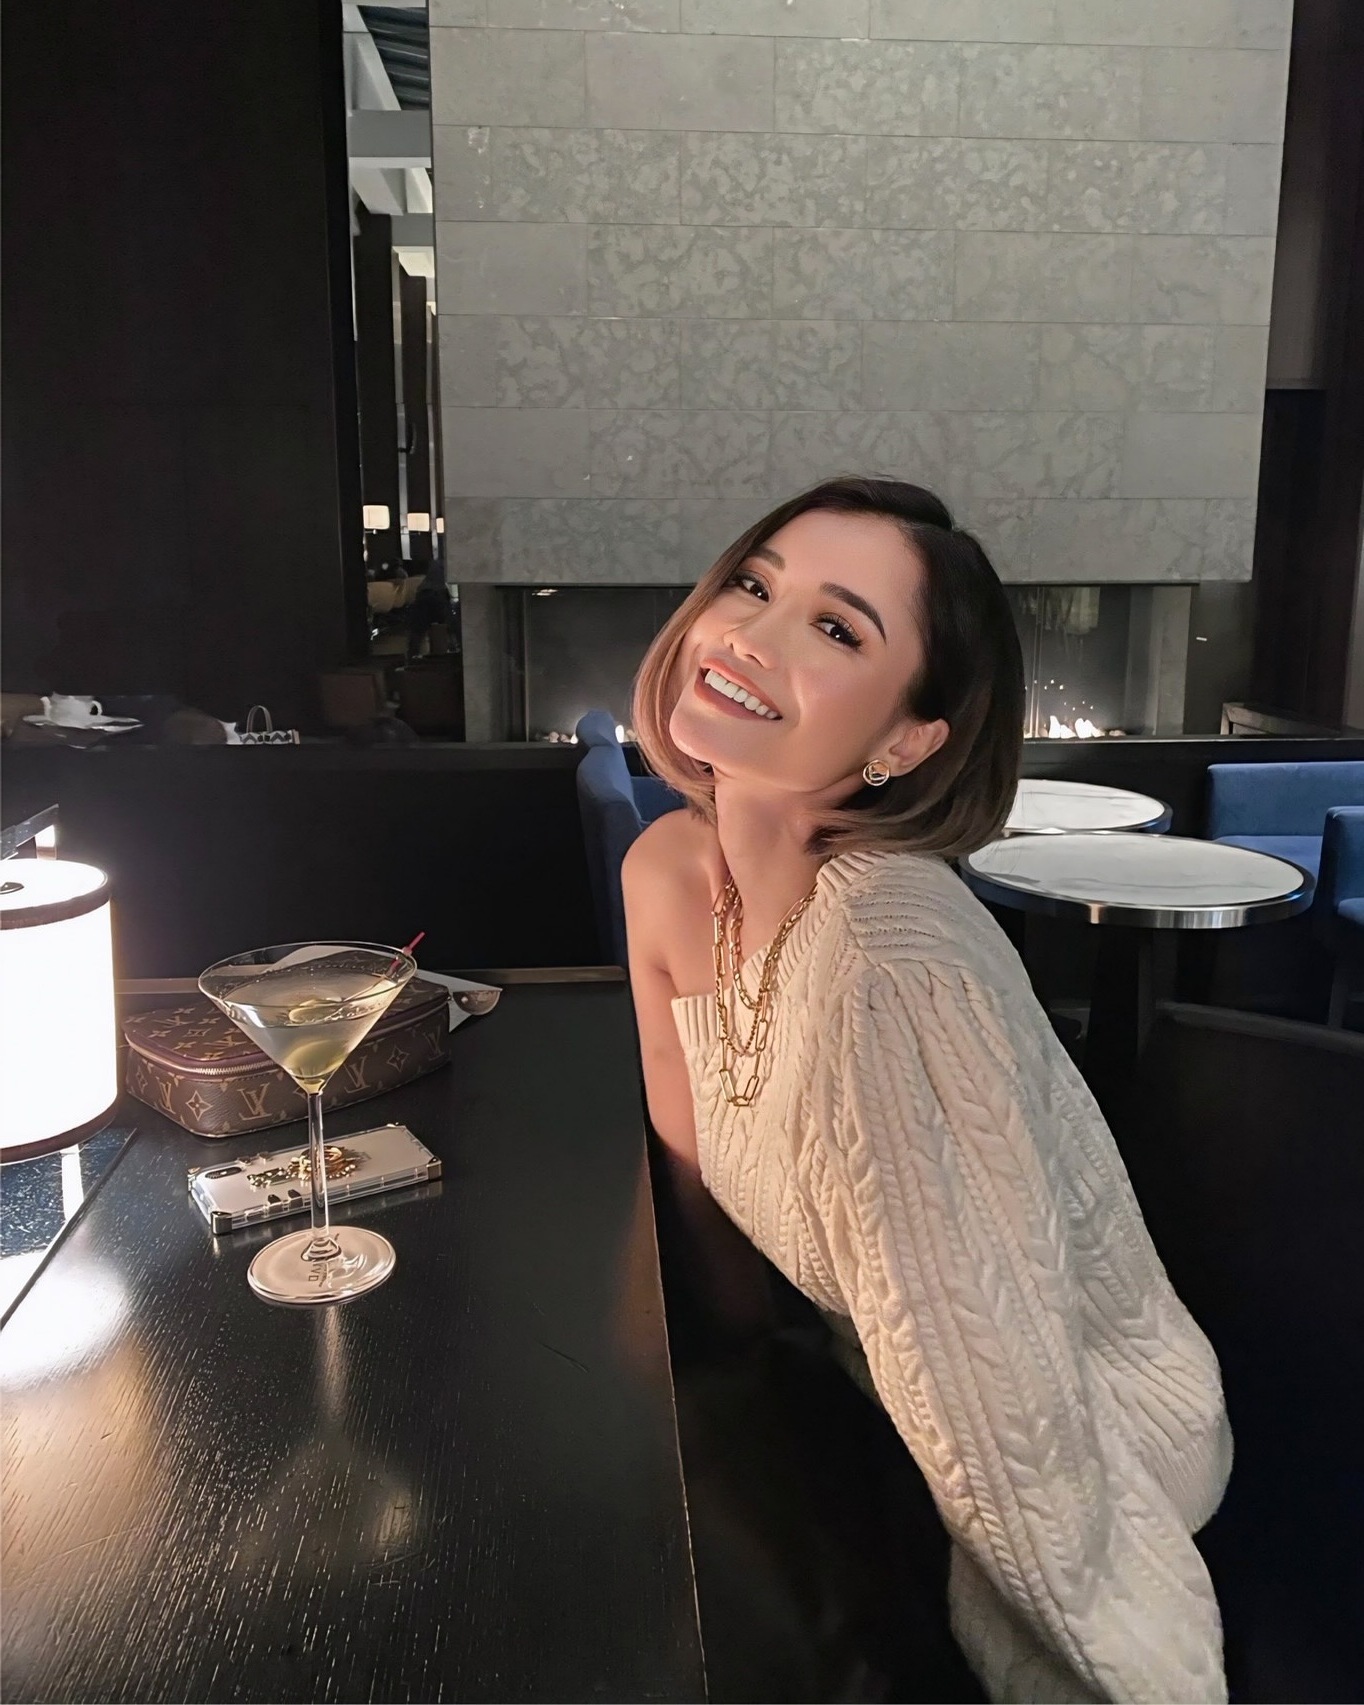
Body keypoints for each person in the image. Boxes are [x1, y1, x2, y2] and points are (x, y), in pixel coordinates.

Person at [621, 477, 1231, 1704]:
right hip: (878, 1400)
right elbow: (701, 1213)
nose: (751, 632)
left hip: (1083, 1435)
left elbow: (1013, 1424)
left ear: (902, 743)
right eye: (752, 584)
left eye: (834, 627)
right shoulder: (668, 871)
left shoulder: (888, 967)